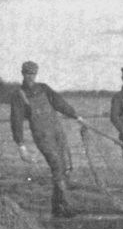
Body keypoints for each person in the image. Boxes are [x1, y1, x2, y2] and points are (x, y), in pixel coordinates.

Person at [10, 61, 87, 218]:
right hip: (42, 135)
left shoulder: (44, 88)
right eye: (27, 73)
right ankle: (67, 205)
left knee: (65, 167)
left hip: (58, 132)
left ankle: (57, 208)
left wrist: (76, 116)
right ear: (22, 73)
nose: (30, 76)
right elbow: (16, 120)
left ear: (36, 74)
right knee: (57, 166)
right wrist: (21, 146)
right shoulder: (19, 95)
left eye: (33, 73)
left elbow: (59, 103)